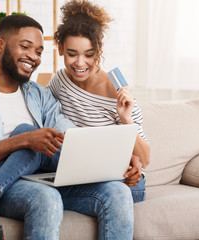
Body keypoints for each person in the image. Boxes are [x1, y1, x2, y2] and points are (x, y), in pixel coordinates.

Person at [0, 13, 142, 240]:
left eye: (38, 52)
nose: (33, 57)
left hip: (43, 177)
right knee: (35, 164)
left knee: (118, 192)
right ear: (0, 44)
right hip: (8, 187)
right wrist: (22, 140)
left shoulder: (41, 96)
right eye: (25, 47)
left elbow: (71, 135)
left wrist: (117, 156)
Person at [47, 0, 151, 204]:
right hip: (86, 176)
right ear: (60, 48)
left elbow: (145, 159)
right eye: (72, 54)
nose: (79, 63)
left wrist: (125, 119)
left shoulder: (116, 92)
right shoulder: (60, 81)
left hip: (126, 183)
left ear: (99, 51)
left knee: (112, 193)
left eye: (89, 55)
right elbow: (38, 107)